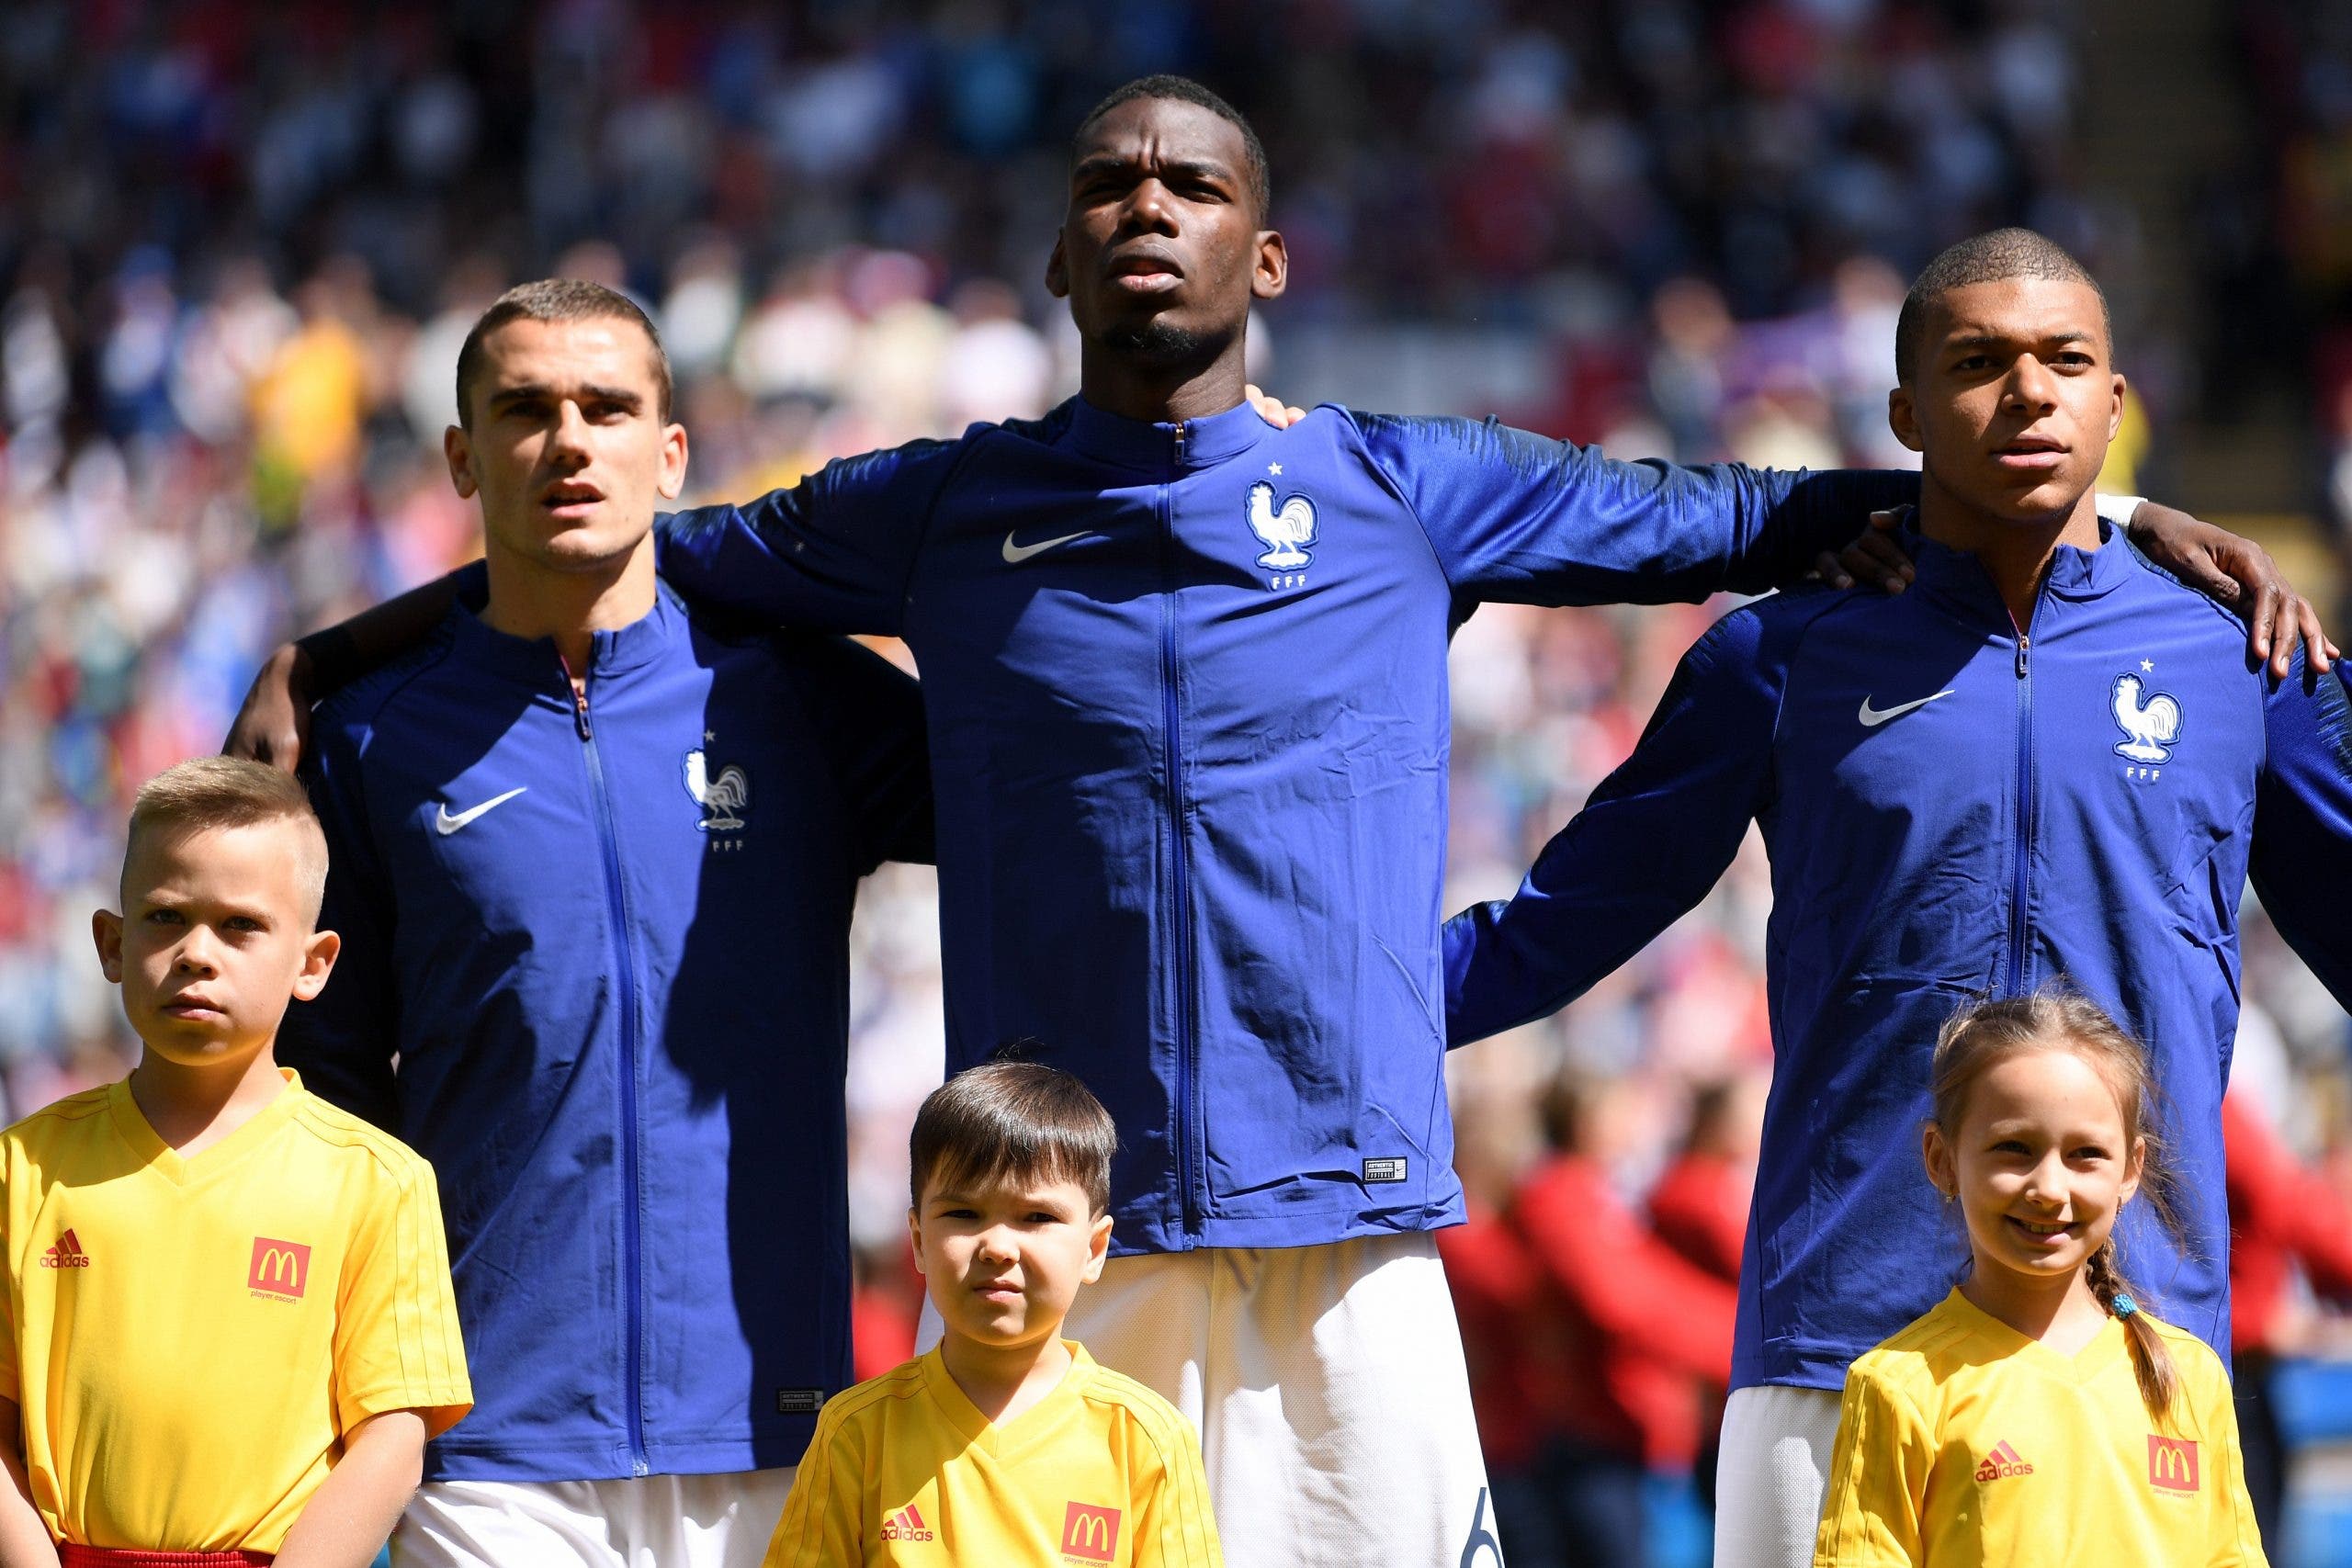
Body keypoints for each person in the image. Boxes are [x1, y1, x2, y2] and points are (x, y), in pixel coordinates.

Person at [229, 80, 2324, 1563]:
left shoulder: (1408, 486)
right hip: (1077, 1226)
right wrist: (349, 647)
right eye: (1111, 183)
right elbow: (625, 549)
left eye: (1192, 181)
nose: (1148, 206)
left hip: (1350, 1210)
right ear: (1058, 249)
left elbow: (1749, 509)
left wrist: (2133, 523)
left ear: (1267, 246)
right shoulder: (947, 509)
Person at [1443, 228, 2352, 1568]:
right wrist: (1298, 1021)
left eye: (2066, 363)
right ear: (1905, 414)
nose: (2029, 393)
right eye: (1979, 363)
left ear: (2116, 402)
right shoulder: (1781, 654)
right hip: (1836, 1335)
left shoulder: (2245, 657)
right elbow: (1559, 924)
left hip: (2140, 1344)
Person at [281, 280, 933, 1568]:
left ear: (669, 451)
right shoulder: (370, 740)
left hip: (774, 1426)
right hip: (482, 1449)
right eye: (524, 411)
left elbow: (1048, 787)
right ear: (463, 458)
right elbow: (324, 1090)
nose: (569, 440)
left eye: (607, 407)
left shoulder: (797, 700)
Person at [0, 757, 470, 1566]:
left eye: (240, 925)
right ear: (111, 944)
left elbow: (392, 1438)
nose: (195, 952)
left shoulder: (378, 1182)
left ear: (314, 962)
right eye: (164, 917)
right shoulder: (24, 1166)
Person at [1813, 990, 2267, 1565]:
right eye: (2014, 1149)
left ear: (2131, 1169)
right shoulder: (1900, 1387)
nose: (2049, 1189)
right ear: (1941, 1158)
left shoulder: (2189, 1376)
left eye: (2084, 1154)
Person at [763, 1059, 1220, 1566]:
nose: (998, 1247)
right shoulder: (857, 1432)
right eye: (963, 1214)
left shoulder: (1145, 1438)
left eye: (1037, 1217)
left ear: (1094, 1249)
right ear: (917, 1241)